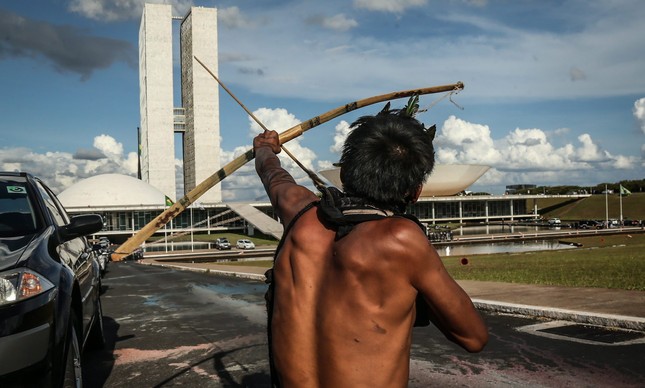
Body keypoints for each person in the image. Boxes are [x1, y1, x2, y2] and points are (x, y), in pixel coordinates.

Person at [254, 107, 488, 388]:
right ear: (415, 192)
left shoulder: (299, 211)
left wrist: (265, 149)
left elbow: (273, 176)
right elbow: (473, 338)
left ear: (345, 171)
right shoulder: (401, 238)